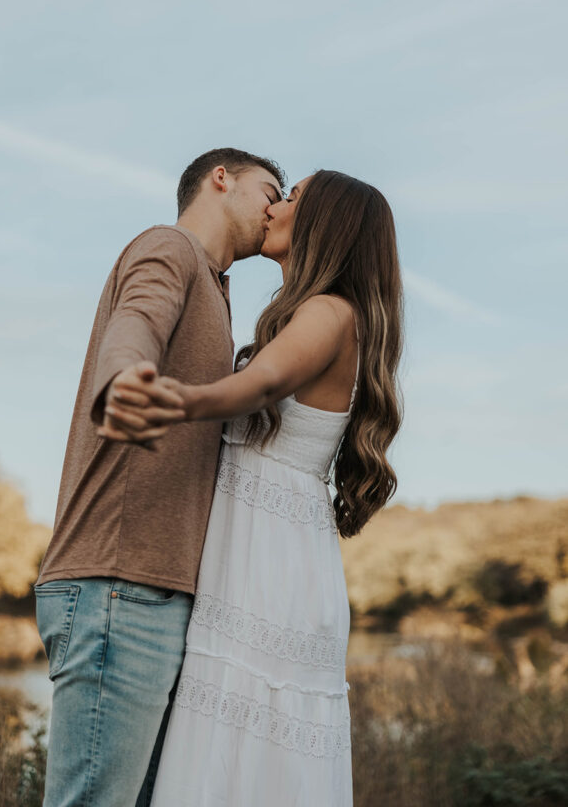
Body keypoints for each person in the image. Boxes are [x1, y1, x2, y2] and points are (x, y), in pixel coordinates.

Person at [101, 170, 403, 806]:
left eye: (291, 198)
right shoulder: (312, 313)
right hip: (265, 552)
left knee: (240, 757)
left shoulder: (330, 311)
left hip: (271, 562)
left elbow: (262, 385)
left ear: (325, 225)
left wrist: (177, 399)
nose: (275, 207)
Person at [35, 147, 286, 807]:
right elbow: (136, 321)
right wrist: (123, 378)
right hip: (119, 587)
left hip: (147, 592)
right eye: (271, 187)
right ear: (220, 178)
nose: (277, 205)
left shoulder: (218, 289)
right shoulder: (168, 249)